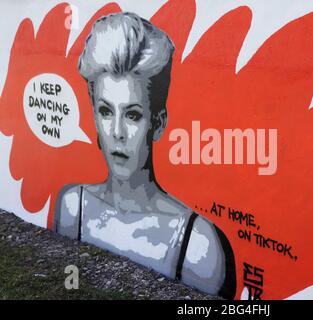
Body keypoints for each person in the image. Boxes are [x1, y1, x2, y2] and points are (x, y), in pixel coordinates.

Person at [53, 12, 236, 299]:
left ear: (158, 122)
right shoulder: (72, 207)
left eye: (133, 114)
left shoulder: (199, 245)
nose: (116, 132)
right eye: (105, 111)